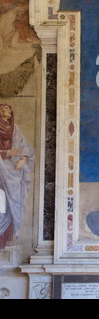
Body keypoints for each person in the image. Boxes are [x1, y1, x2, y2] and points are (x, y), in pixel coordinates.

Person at [0, 104, 35, 249]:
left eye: (9, 109)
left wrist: (23, 159)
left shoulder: (16, 129)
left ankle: (8, 238)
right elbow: (10, 152)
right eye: (4, 108)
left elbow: (25, 148)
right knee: (1, 204)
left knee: (13, 204)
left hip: (13, 173)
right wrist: (7, 153)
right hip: (0, 172)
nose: (8, 110)